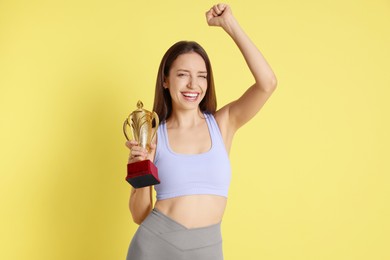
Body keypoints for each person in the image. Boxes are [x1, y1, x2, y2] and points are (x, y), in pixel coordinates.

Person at [125, 3, 277, 260]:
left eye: (202, 76)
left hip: (207, 250)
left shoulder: (223, 124)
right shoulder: (152, 136)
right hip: (154, 248)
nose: (193, 84)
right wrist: (142, 169)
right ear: (165, 80)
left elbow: (267, 83)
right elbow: (139, 215)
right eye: (183, 74)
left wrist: (230, 25)